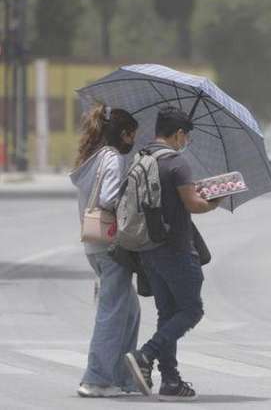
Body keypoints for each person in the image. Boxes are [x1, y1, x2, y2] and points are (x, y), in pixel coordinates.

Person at [125, 107, 221, 402]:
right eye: (185, 136)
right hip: (177, 249)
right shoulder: (177, 163)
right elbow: (193, 204)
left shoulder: (142, 158)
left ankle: (170, 380)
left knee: (167, 314)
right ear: (178, 134)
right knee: (192, 311)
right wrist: (214, 200)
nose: (185, 141)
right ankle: (146, 355)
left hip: (148, 250)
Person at [70, 104, 140, 397]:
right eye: (133, 136)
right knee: (112, 311)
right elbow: (110, 198)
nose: (134, 141)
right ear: (124, 134)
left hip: (94, 244)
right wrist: (134, 190)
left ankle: (123, 377)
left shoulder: (94, 156)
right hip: (110, 245)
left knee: (129, 310)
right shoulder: (112, 160)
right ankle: (96, 379)